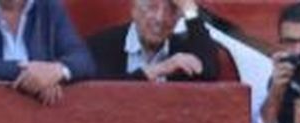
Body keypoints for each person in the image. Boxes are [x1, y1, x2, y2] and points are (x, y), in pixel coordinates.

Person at [87, 0, 219, 82]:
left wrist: (190, 11)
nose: (160, 19)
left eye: (171, 10)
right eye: (152, 7)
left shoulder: (180, 50)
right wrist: (160, 69)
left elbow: (208, 73)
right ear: (134, 10)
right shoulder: (103, 45)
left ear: (179, 18)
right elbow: (103, 90)